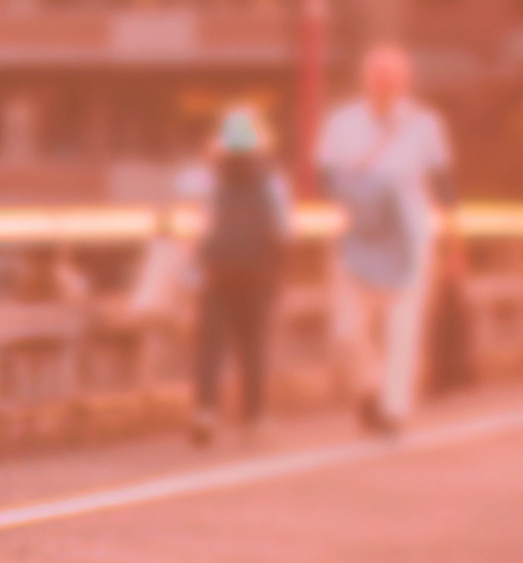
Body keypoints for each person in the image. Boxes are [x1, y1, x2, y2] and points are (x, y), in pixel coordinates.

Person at [312, 44, 454, 436]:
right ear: (365, 79)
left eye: (393, 75)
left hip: (409, 236)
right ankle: (369, 387)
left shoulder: (425, 124)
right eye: (378, 74)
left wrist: (453, 234)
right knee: (347, 330)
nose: (385, 82)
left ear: (406, 80)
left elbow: (443, 181)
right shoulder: (342, 122)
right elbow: (324, 177)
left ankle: (393, 407)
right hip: (356, 234)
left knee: (403, 326)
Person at [178, 104, 292, 444]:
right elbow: (283, 230)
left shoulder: (208, 177)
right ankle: (254, 415)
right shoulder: (272, 180)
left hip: (216, 271)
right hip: (257, 272)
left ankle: (206, 411)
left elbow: (193, 222)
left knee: (210, 344)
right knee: (253, 344)